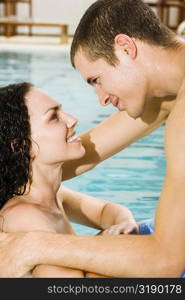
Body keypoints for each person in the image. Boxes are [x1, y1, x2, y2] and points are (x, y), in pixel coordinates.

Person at [0, 0, 185, 278]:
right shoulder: (169, 96)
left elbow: (166, 262)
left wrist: (33, 245)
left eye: (96, 79)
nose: (101, 99)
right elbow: (84, 154)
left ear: (125, 47)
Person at [0, 82, 138, 278]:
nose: (72, 120)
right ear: (23, 146)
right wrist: (112, 246)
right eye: (54, 117)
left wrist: (123, 224)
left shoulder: (52, 195)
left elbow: (105, 211)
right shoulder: (24, 214)